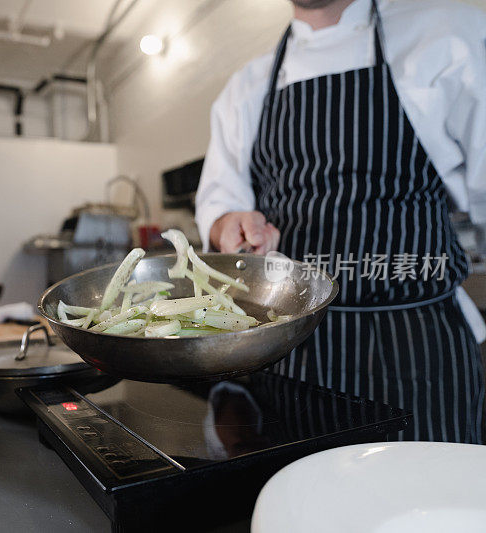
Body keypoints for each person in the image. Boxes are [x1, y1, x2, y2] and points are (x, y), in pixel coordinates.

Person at [195, 0, 486, 442]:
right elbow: (221, 204)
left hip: (420, 344)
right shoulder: (246, 86)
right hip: (292, 352)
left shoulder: (450, 34)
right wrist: (233, 226)